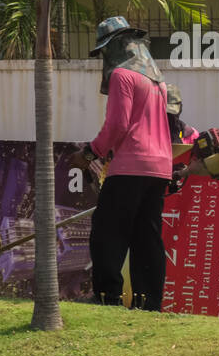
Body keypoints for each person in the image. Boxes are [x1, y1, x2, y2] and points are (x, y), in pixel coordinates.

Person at [69, 16, 171, 311]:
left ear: (116, 47)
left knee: (107, 233)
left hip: (130, 166)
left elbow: (118, 124)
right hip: (159, 168)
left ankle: (106, 297)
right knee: (147, 237)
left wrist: (90, 154)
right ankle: (149, 302)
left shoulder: (122, 77)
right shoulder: (157, 83)